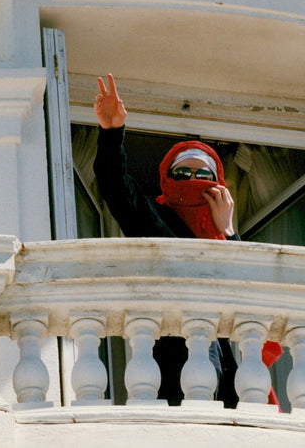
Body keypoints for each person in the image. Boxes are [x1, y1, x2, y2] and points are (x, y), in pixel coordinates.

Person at [92, 74, 282, 407]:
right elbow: (116, 188)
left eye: (202, 175)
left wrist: (228, 230)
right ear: (168, 179)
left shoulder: (223, 237)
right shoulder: (154, 219)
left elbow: (247, 291)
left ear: (218, 187)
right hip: (173, 357)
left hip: (222, 366)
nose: (192, 181)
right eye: (182, 174)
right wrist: (112, 132)